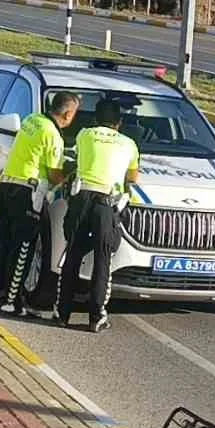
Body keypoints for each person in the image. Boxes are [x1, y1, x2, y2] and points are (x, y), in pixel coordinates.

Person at [0, 90, 79, 315]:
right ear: (69, 114)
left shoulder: (32, 120)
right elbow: (53, 176)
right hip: (27, 192)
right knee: (22, 249)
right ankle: (10, 301)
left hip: (6, 186)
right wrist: (70, 171)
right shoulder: (53, 135)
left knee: (7, 246)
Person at [56, 98, 139, 333]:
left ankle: (62, 313)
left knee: (72, 254)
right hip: (106, 202)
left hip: (82, 200)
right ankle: (96, 317)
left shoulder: (84, 134)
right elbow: (133, 178)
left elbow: (80, 159)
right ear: (119, 123)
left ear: (95, 119)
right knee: (103, 261)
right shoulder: (129, 143)